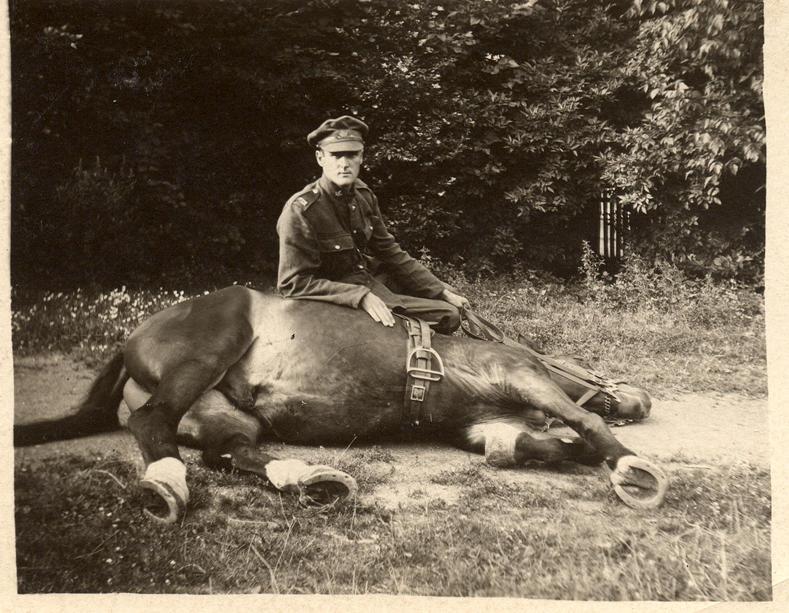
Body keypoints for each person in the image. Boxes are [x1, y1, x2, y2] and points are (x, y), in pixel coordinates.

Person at [276, 115, 469, 333]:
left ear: (361, 157)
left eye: (351, 155)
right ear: (320, 158)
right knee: (447, 316)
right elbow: (293, 284)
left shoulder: (362, 195)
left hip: (369, 279)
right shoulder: (301, 210)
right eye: (336, 155)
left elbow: (389, 251)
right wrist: (359, 297)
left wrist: (439, 291)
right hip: (336, 300)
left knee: (446, 296)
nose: (344, 163)